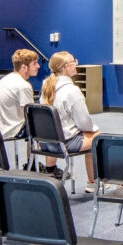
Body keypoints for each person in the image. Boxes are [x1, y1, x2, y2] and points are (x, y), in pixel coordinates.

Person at [40, 50, 98, 189]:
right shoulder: (72, 90)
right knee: (98, 138)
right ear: (66, 67)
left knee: (90, 136)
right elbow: (84, 123)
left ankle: (92, 182)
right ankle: (93, 183)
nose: (76, 64)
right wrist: (93, 130)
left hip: (46, 141)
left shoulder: (46, 86)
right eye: (73, 62)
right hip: (64, 142)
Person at [0, 48, 38, 146]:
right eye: (35, 64)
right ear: (24, 67)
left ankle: (31, 161)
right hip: (11, 129)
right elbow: (29, 114)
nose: (38, 66)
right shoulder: (23, 85)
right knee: (42, 124)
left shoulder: (6, 79)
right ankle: (33, 160)